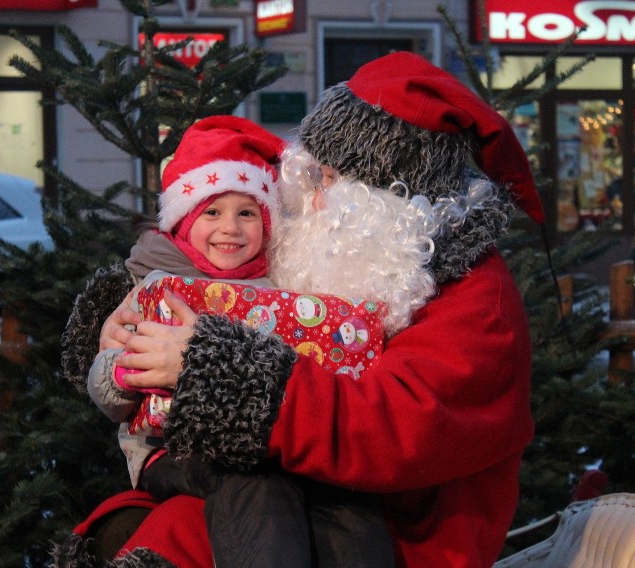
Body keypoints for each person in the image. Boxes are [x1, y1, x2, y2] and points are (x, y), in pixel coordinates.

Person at [57, 51, 545, 568]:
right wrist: (125, 320)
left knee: (185, 535)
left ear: (393, 196)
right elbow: (212, 275)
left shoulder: (475, 301)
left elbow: (390, 432)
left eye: (329, 179)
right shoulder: (345, 252)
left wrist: (219, 375)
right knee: (132, 529)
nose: (311, 196)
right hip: (288, 496)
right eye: (311, 173)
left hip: (396, 536)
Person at [74, 114, 397, 568]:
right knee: (252, 483)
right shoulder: (153, 284)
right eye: (212, 211)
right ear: (183, 221)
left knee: (342, 495)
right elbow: (108, 391)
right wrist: (124, 370)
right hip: (173, 448)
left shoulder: (284, 288)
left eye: (247, 213)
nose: (230, 227)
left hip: (269, 436)